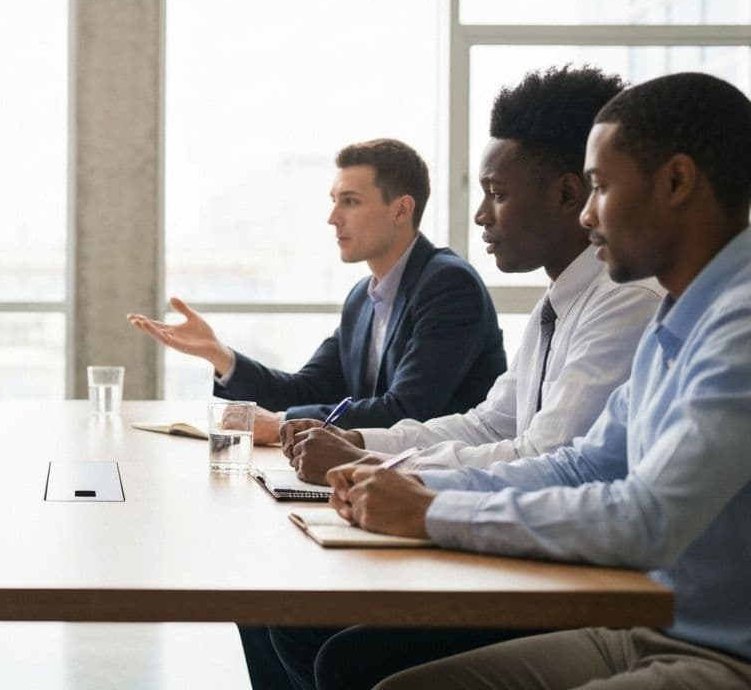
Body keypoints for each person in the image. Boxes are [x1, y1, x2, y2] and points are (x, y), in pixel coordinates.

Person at [243, 66, 665, 690]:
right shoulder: (559, 302)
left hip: (580, 577)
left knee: (330, 643)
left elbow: (553, 457)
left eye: (496, 192)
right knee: (276, 611)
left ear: (567, 195)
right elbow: (494, 422)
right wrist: (363, 448)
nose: (479, 216)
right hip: (524, 525)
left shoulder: (623, 301)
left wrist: (401, 479)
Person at [343, 72, 751, 689]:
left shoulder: (738, 327)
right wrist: (416, 486)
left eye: (600, 187)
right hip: (641, 627)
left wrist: (431, 511)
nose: (588, 214)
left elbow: (648, 518)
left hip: (722, 654)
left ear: (676, 181)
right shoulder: (677, 315)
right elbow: (580, 466)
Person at [129, 138, 506, 437]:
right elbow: (306, 391)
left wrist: (282, 424)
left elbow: (406, 411)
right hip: (376, 473)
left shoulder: (448, 285)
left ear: (401, 210)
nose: (333, 217)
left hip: (440, 481)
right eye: (334, 201)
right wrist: (221, 356)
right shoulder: (363, 297)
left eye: (350, 202)